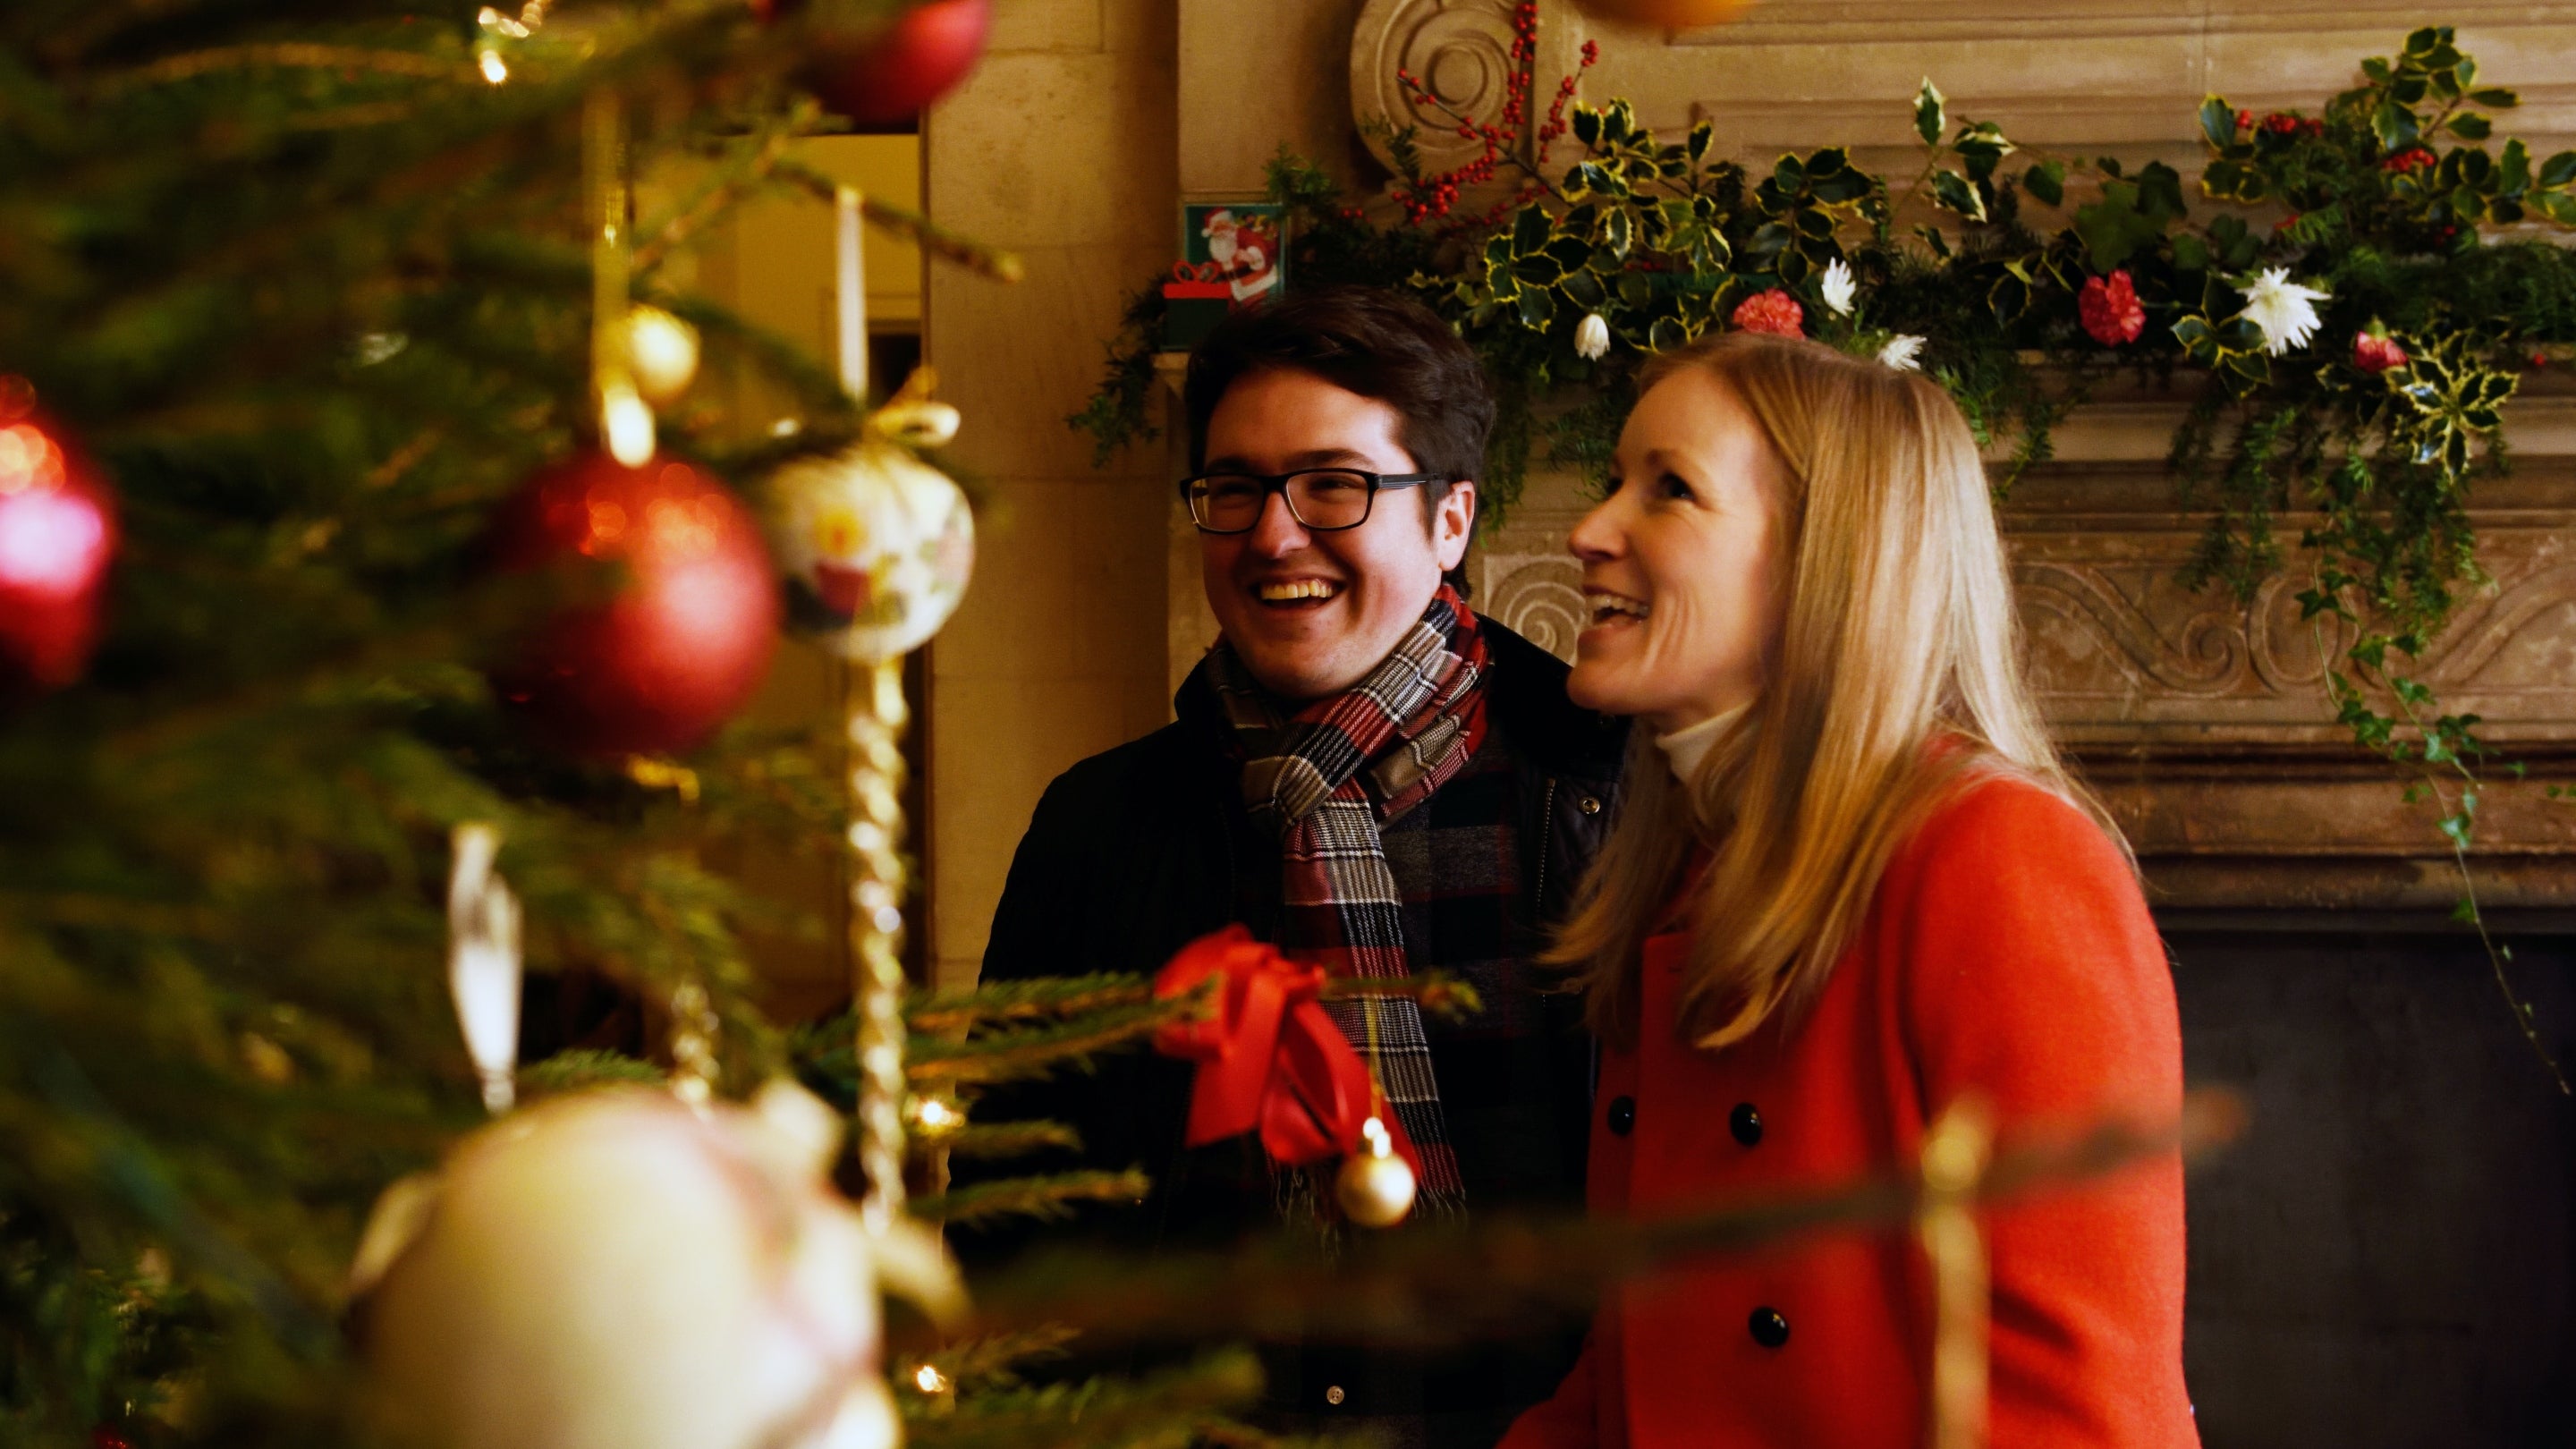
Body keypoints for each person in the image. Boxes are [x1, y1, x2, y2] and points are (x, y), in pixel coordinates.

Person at [1500, 331, 2198, 1449]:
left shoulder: (1996, 853)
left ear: (1831, 555)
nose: (1589, 531)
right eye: (1614, 479)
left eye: (1669, 490)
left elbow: (2076, 1411)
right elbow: (1644, 1366)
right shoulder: (1685, 871)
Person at [974, 286, 1629, 1448]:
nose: (1273, 535)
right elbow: (1010, 1223)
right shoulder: (1099, 826)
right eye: (1234, 489)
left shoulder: (1612, 793)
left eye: (1336, 485)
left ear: (1450, 521)